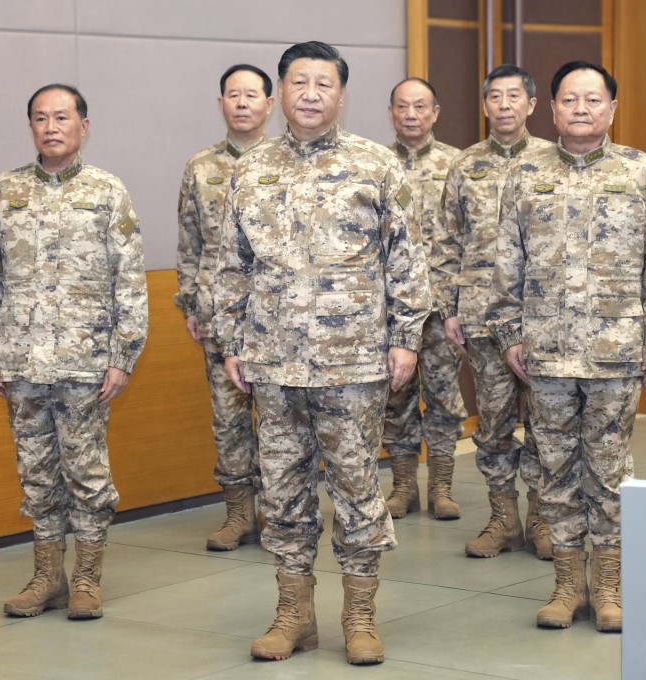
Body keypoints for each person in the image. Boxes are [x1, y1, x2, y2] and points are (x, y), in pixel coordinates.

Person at [214, 41, 431, 665]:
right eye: (299, 82)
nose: (310, 93)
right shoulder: (250, 170)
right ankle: (293, 615)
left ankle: (359, 616)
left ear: (341, 94)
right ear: (281, 91)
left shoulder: (376, 166)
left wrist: (404, 339)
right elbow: (231, 266)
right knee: (281, 490)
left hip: (354, 363)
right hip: (273, 362)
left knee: (358, 487)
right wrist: (233, 341)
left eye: (323, 84)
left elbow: (406, 262)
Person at [487, 61, 646, 633]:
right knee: (554, 467)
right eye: (569, 99)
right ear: (551, 110)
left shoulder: (644, 174)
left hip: (617, 351)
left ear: (612, 110)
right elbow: (506, 264)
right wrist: (506, 334)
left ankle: (610, 586)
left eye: (593, 100)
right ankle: (567, 585)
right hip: (543, 353)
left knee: (611, 470)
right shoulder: (524, 174)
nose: (580, 108)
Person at [0, 84, 148, 620]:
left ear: (83, 126)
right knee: (37, 471)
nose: (51, 127)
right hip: (20, 358)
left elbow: (129, 281)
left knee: (86, 471)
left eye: (62, 117)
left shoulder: (107, 191)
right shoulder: (6, 190)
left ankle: (87, 579)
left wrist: (122, 354)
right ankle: (47, 577)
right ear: (31, 127)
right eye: (40, 118)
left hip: (85, 360)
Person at [431, 64, 554, 558]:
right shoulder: (465, 165)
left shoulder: (554, 160)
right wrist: (449, 307)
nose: (504, 105)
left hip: (544, 319)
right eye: (495, 97)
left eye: (514, 97)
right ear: (484, 106)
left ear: (531, 105)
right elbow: (446, 240)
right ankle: (503, 518)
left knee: (549, 423)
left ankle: (544, 519)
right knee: (495, 422)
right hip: (482, 317)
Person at [176, 64, 274, 550]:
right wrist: (191, 303)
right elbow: (190, 243)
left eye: (251, 94)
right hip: (221, 317)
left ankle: (280, 512)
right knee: (229, 416)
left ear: (269, 105)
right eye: (232, 95)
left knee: (281, 419)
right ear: (220, 104)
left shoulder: (285, 162)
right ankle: (239, 514)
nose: (241, 103)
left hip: (280, 316)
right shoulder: (201, 167)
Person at [383, 77, 467, 520]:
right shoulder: (375, 164)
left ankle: (441, 486)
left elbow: (467, 237)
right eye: (402, 107)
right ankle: (402, 486)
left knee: (442, 396)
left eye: (420, 107)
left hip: (440, 308)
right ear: (391, 112)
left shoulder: (457, 164)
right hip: (390, 307)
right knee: (394, 396)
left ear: (436, 113)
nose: (411, 115)